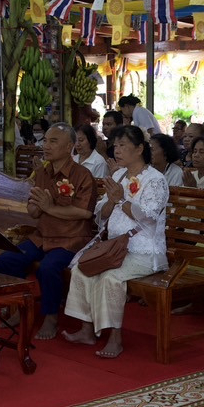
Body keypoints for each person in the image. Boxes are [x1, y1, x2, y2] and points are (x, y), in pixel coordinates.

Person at [64, 126, 169, 358]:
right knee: (83, 270)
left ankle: (115, 337)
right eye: (116, 145)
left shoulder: (155, 179)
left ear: (140, 148)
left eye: (123, 145)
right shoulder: (119, 174)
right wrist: (112, 202)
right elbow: (101, 213)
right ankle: (86, 330)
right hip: (115, 248)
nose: (117, 150)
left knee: (110, 278)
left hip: (144, 252)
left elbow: (149, 217)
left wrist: (121, 199)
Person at [0, 123, 98, 340]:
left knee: (48, 268)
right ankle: (19, 310)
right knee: (7, 260)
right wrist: (35, 207)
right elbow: (33, 209)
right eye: (46, 141)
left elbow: (84, 213)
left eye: (53, 141)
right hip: (42, 236)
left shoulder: (82, 175)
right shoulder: (42, 172)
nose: (46, 146)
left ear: (69, 146)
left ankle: (51, 316)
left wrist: (49, 207)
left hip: (71, 238)